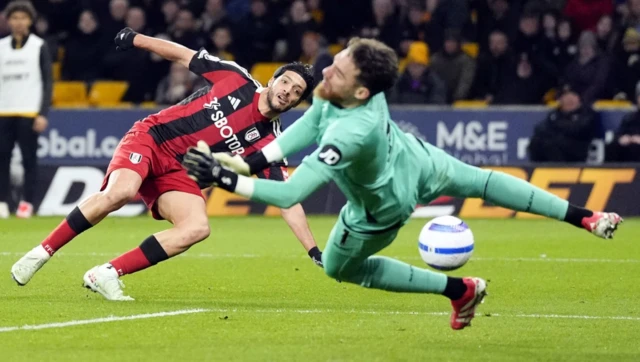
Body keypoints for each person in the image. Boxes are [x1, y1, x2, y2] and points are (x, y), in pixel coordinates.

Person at [182, 37, 624, 330]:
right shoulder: (344, 90)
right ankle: (587, 217)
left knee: (341, 268)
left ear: (360, 92)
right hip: (420, 160)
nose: (328, 71)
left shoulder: (349, 136)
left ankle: (459, 289)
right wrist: (241, 162)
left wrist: (224, 178)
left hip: (384, 204)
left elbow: (290, 193)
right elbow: (294, 138)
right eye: (335, 62)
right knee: (486, 182)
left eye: (339, 70)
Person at [11, 27, 321, 301]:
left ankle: (106, 273)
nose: (287, 92)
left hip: (178, 173)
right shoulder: (236, 78)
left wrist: (313, 251)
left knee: (198, 228)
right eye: (286, 82)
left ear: (298, 102)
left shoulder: (272, 142)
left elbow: (287, 199)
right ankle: (41, 252)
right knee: (121, 191)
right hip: (153, 138)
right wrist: (136, 39)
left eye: (296, 92)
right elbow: (183, 55)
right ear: (273, 79)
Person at [0, 1, 52, 219]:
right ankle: (3, 201)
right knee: (2, 158)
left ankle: (27, 202)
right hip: (4, 112)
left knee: (29, 159)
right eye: (14, 18)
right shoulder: (1, 46)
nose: (18, 22)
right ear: (8, 20)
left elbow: (48, 81)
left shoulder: (39, 46)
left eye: (23, 18)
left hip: (29, 112)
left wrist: (42, 113)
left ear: (30, 21)